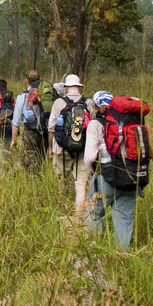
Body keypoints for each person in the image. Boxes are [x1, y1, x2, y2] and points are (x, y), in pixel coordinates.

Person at [83, 90, 140, 251]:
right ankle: (120, 259)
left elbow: (89, 158)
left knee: (92, 213)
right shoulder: (129, 123)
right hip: (132, 177)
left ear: (94, 105)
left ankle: (97, 253)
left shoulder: (95, 124)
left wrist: (91, 173)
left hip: (105, 178)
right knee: (123, 218)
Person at [47, 74, 97, 220]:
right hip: (84, 148)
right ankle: (78, 215)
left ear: (67, 87)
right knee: (81, 183)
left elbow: (51, 127)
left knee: (61, 178)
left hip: (61, 149)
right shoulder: (88, 102)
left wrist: (50, 147)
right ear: (79, 87)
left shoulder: (58, 102)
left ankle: (62, 208)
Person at [11, 70, 48, 174]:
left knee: (31, 162)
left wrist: (13, 141)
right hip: (45, 132)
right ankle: (43, 178)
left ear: (27, 80)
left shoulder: (22, 97)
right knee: (43, 160)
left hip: (30, 132)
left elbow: (16, 121)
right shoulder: (45, 95)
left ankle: (34, 184)